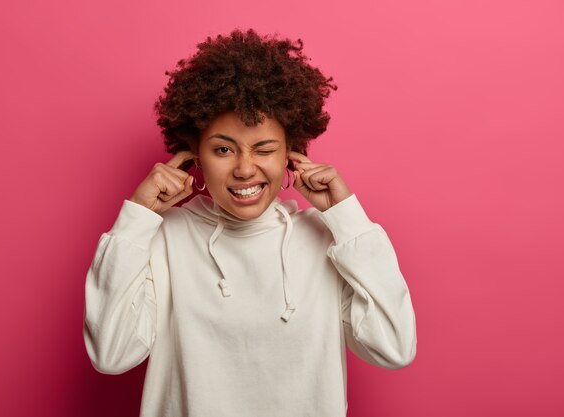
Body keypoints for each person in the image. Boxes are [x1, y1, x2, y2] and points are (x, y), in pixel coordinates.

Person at [83, 28, 417, 417]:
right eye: (223, 149)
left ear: (291, 154)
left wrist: (348, 220)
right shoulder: (164, 238)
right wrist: (135, 221)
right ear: (194, 154)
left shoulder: (327, 239)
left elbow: (393, 348)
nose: (244, 168)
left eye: (264, 149)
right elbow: (110, 354)